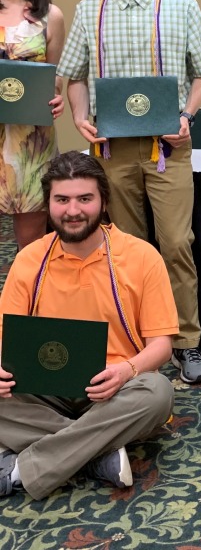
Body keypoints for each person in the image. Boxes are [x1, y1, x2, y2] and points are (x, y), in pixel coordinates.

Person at [57, 0, 201, 383]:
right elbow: (73, 75)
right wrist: (79, 117)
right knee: (125, 248)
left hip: (167, 147)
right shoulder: (90, 9)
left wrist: (186, 116)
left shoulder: (182, 6)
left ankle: (186, 344)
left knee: (175, 243)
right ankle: (133, 340)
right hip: (112, 152)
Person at [0, 151, 177, 499]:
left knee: (158, 393)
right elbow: (6, 336)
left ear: (104, 201)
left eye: (85, 199)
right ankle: (98, 455)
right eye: (62, 199)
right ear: (48, 203)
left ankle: (21, 469)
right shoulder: (29, 259)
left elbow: (161, 345)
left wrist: (126, 371)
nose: (73, 210)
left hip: (115, 391)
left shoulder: (142, 256)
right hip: (44, 389)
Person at [0, 0, 65, 249]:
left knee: (32, 245)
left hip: (31, 144)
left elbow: (54, 81)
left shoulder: (50, 16)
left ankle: (27, 302)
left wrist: (57, 99)